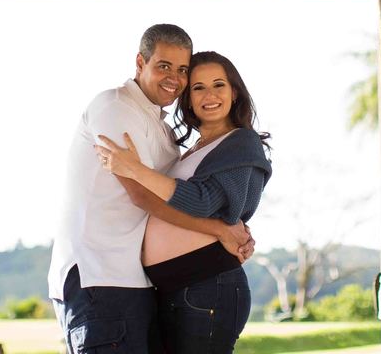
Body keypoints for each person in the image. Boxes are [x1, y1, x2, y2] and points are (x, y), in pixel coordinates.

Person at [48, 26, 254, 354]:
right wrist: (219, 230)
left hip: (138, 279)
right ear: (140, 62)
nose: (173, 77)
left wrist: (230, 226)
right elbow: (142, 194)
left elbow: (186, 196)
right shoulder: (115, 107)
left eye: (182, 69)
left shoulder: (163, 129)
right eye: (163, 66)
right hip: (99, 274)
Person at [97, 51, 272, 354]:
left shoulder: (241, 142)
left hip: (207, 284)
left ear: (235, 92)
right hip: (174, 286)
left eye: (219, 85)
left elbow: (202, 201)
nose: (210, 95)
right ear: (188, 98)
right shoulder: (192, 151)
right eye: (198, 87)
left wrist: (134, 169)